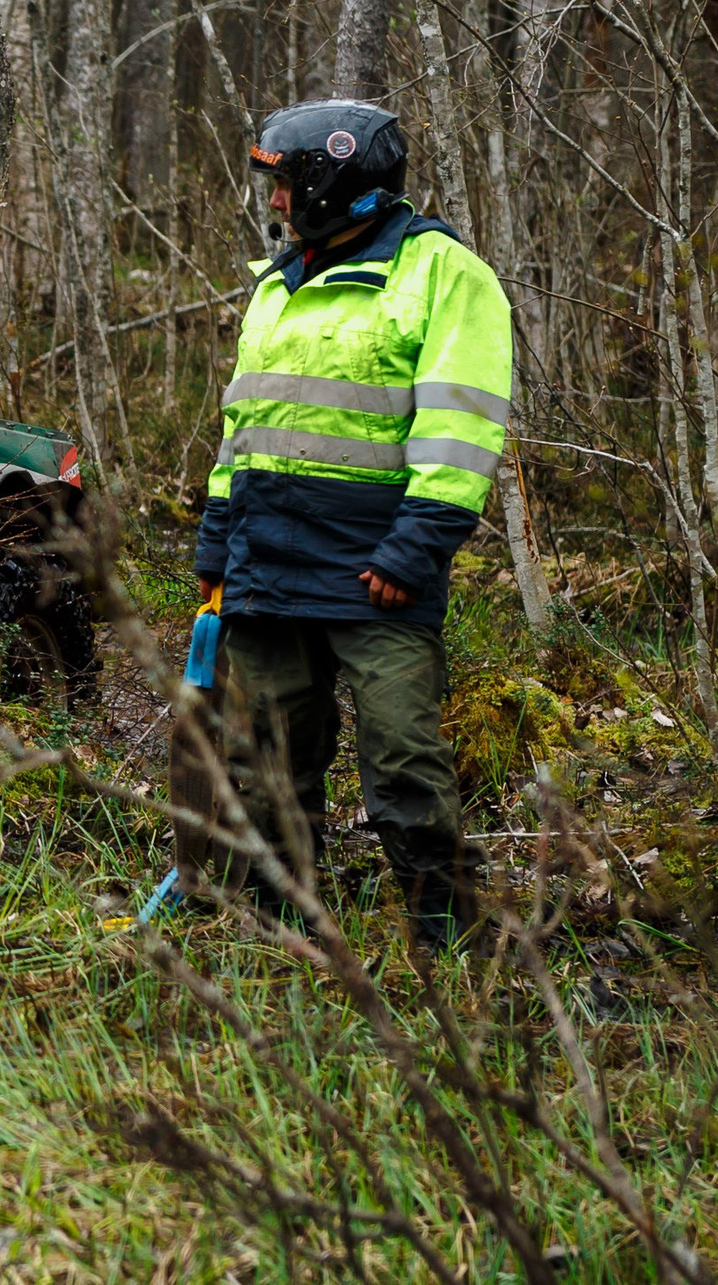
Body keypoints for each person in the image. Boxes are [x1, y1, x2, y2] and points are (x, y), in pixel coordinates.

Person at [192, 99, 513, 953]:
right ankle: (277, 925)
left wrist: (415, 548)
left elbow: (462, 430)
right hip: (266, 557)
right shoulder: (277, 284)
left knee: (403, 756)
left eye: (286, 185)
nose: (275, 202)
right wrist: (218, 537)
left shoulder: (444, 274)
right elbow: (243, 425)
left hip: (378, 568)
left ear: (338, 185)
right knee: (266, 755)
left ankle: (447, 937)